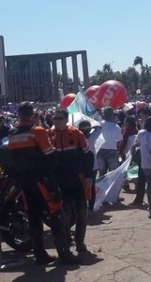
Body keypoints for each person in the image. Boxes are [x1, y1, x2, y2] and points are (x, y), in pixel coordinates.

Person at [8, 102, 78, 265]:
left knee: (33, 217)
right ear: (33, 115)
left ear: (18, 115)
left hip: (24, 183)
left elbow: (13, 159)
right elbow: (50, 155)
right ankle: (63, 252)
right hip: (41, 180)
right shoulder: (37, 132)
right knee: (56, 213)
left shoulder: (12, 135)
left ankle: (40, 254)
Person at [51, 109, 94, 254]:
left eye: (59, 118)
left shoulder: (76, 134)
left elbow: (88, 157)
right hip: (60, 181)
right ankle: (65, 242)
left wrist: (89, 176)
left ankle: (80, 242)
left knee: (82, 211)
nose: (56, 121)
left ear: (66, 119)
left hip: (77, 179)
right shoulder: (49, 135)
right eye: (54, 119)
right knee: (66, 214)